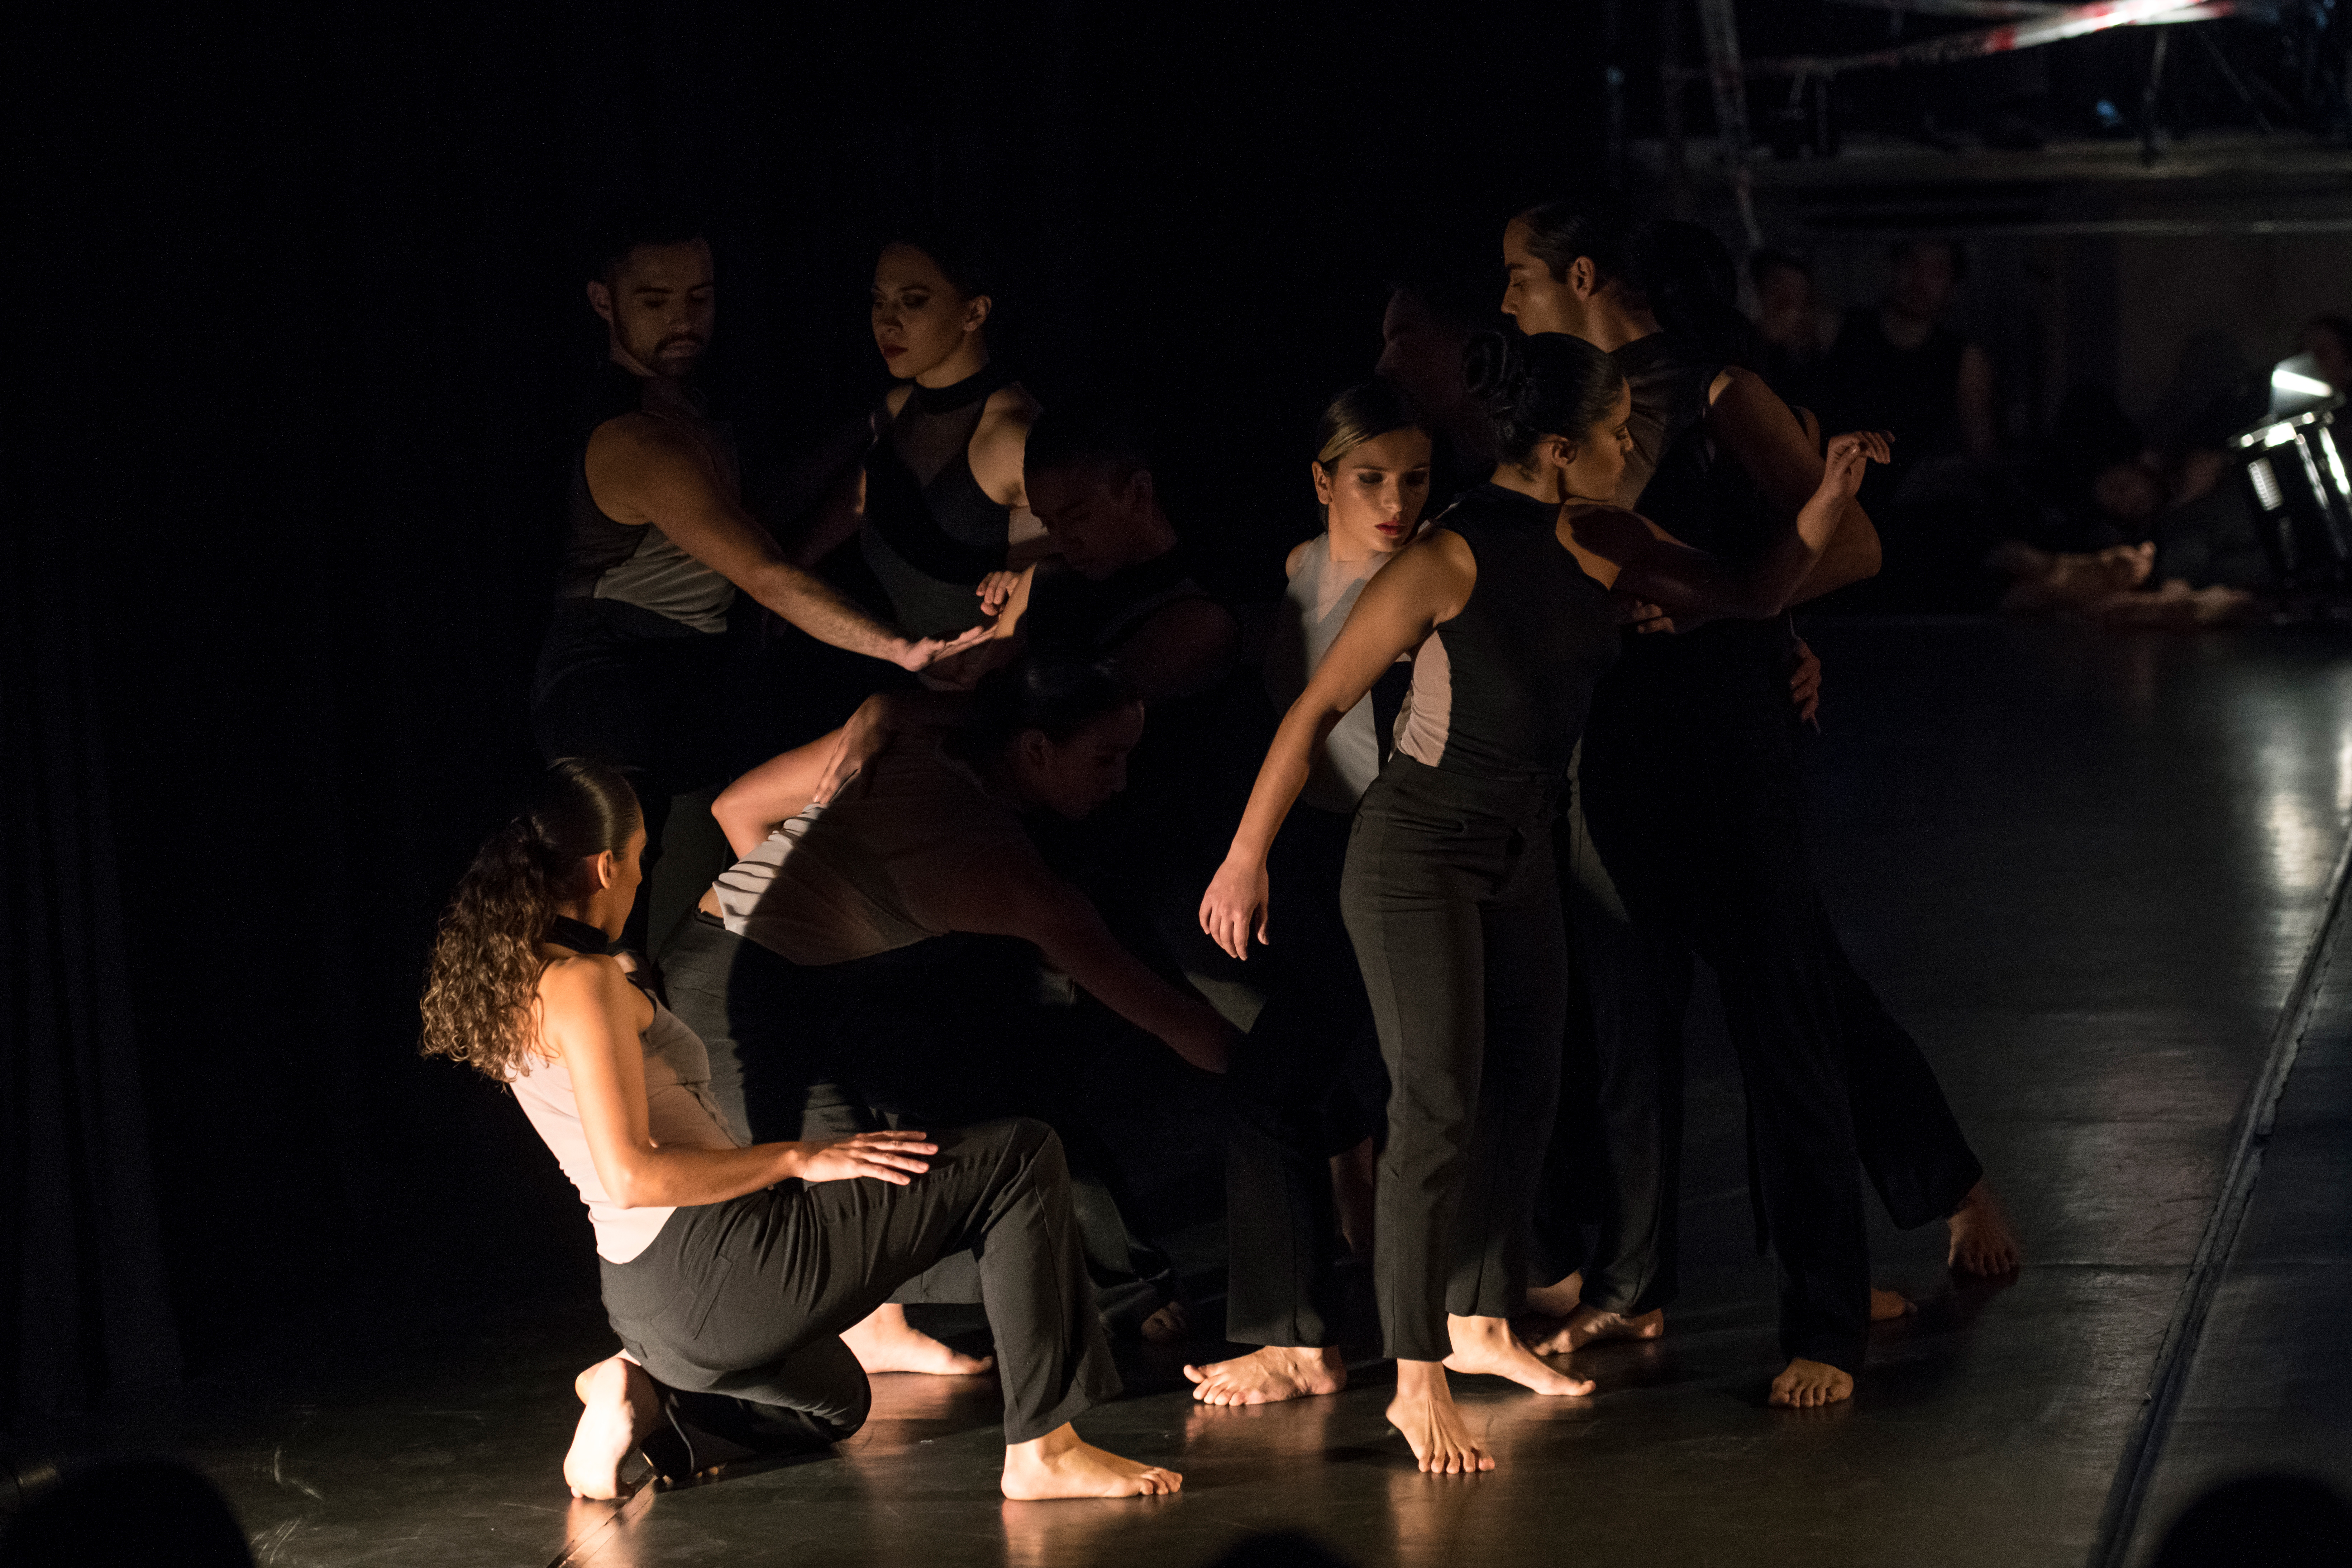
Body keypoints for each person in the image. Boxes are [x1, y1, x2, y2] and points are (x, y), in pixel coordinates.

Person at [1203, 329, 1887, 1470]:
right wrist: (1244, 858)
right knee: (1435, 1104)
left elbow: (1752, 591)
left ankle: (1477, 1318)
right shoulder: (1447, 557)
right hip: (1416, 852)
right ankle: (1417, 1378)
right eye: (1619, 432)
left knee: (1528, 1081)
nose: (1635, 445)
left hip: (1522, 845)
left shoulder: (1603, 535)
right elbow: (1317, 706)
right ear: (1563, 449)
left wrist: (1823, 497)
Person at [1502, 199, 2018, 1411]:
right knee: (1634, 1007)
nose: (1509, 302)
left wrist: (1730, 607)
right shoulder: (1566, 398)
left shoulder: (1714, 390)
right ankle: (1637, 1278)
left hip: (1725, 725)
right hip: (1613, 728)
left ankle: (1828, 1313)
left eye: (1518, 278)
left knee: (1783, 1003)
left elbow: (1848, 550)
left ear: (1581, 269)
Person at [418, 758, 1179, 1501]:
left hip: (650, 1302)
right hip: (709, 1261)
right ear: (605, 868)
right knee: (1020, 1155)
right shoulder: (580, 985)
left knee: (841, 1402)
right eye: (642, 857)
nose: (647, 875)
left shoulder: (517, 982)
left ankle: (645, 1398)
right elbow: (632, 1174)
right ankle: (1045, 1449)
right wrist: (797, 1157)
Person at [660, 657, 1236, 1343]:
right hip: (724, 984)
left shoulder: (907, 738)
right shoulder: (1001, 870)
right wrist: (1278, 1087)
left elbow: (740, 806)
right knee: (843, 1189)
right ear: (1033, 750)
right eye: (1106, 759)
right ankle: (700, 1363)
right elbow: (1171, 1019)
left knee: (983, 1107)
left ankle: (911, 1323)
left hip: (821, 978)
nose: (1120, 782)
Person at [531, 206, 991, 954]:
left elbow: (748, 516)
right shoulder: (634, 436)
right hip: (611, 690)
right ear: (601, 301)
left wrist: (873, 430)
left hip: (693, 680)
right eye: (655, 302)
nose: (683, 320)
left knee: (699, 917)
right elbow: (763, 569)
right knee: (610, 940)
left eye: (699, 297)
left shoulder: (686, 406)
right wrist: (900, 651)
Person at [1183, 382, 1431, 1407]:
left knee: (1302, 1079)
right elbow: (1297, 713)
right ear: (1323, 481)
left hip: (1400, 853)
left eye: (1415, 479)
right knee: (1306, 1074)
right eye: (1370, 478)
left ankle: (1307, 1332)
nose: (1395, 501)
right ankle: (1326, 1303)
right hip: (1323, 847)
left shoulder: (1428, 580)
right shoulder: (1301, 565)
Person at [795, 232, 1048, 656]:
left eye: (912, 301)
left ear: (974, 313)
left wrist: (990, 667)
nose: (887, 322)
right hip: (903, 671)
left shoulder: (1013, 436)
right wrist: (791, 575)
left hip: (979, 698)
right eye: (879, 301)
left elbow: (1067, 572)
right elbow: (860, 500)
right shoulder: (897, 409)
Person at [1815, 238, 1997, 504]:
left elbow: (1981, 455)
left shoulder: (1966, 362)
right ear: (1891, 269)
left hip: (1917, 511)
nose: (1920, 282)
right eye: (1911, 265)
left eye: (1936, 272)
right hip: (1833, 498)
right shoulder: (1834, 332)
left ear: (1953, 286)